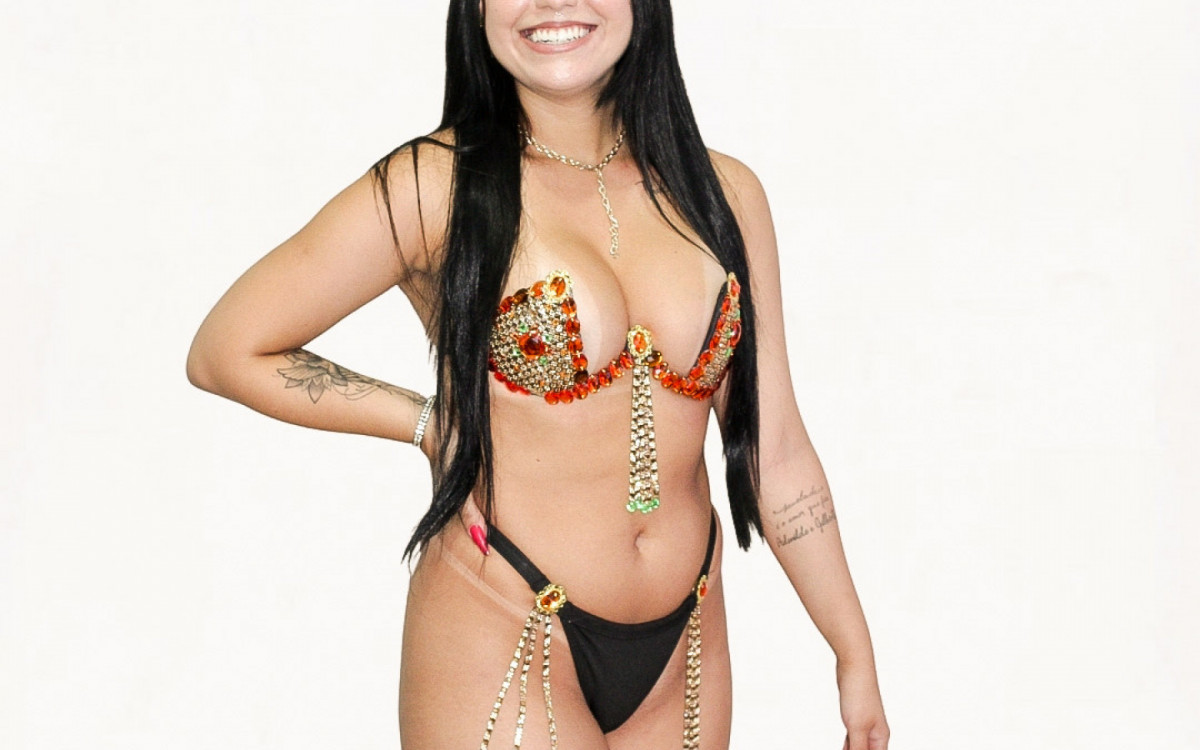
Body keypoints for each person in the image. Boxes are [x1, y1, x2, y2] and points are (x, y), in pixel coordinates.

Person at [186, 1, 890, 748]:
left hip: (686, 640)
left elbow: (777, 451)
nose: (553, 2)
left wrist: (852, 649)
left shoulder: (725, 194)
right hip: (501, 617)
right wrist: (427, 424)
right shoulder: (436, 184)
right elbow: (228, 349)